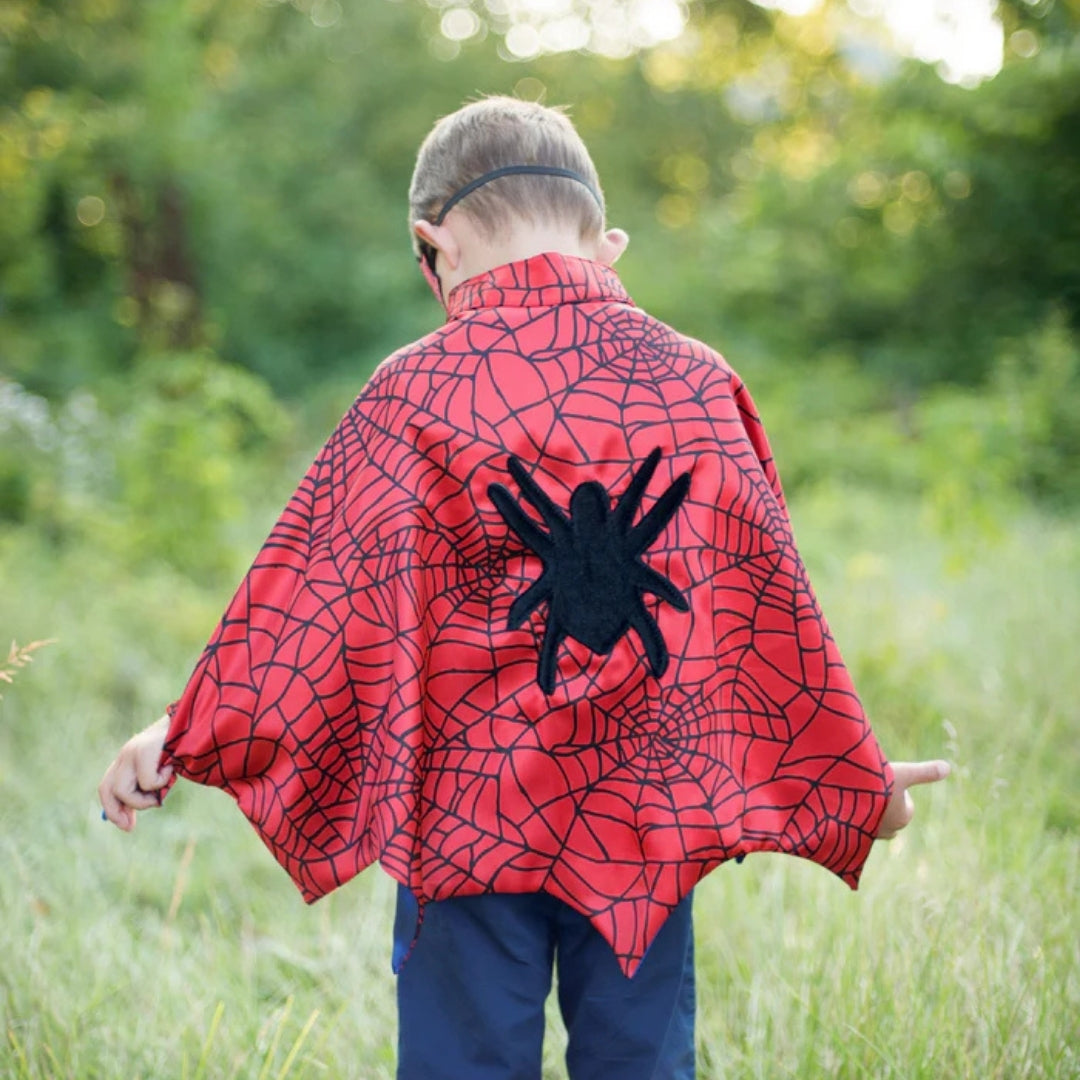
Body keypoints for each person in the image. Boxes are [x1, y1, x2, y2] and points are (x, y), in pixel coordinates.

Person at [99, 96, 949, 1080]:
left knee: (463, 1063)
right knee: (640, 1061)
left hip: (462, 820)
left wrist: (184, 730)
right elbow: (762, 608)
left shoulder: (410, 393)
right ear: (609, 243)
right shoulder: (698, 382)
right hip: (642, 820)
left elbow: (315, 598)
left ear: (434, 245)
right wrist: (843, 777)